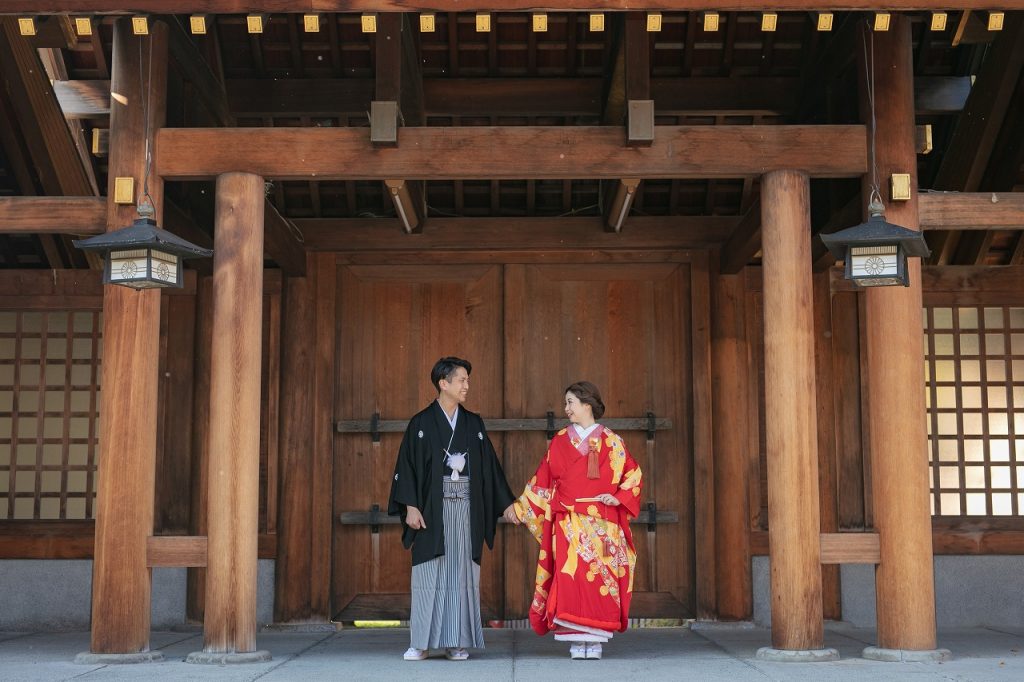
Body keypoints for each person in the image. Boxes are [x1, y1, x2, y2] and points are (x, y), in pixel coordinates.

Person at [388, 356, 517, 662]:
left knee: (461, 575)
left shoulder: (473, 423)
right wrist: (410, 506)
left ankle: (456, 642)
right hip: (431, 510)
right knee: (428, 574)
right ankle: (420, 642)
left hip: (466, 509)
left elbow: (490, 469)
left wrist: (507, 504)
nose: (466, 386)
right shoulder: (420, 423)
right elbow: (406, 468)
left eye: (467, 380)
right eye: (462, 380)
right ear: (443, 383)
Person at [509, 381, 643, 660]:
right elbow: (542, 481)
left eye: (570, 402)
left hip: (603, 525)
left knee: (598, 582)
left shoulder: (612, 442)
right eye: (566, 402)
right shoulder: (559, 440)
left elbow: (633, 475)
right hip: (568, 523)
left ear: (587, 405)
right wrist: (521, 508)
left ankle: (594, 640)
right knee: (571, 579)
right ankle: (574, 638)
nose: (566, 408)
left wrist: (618, 498)